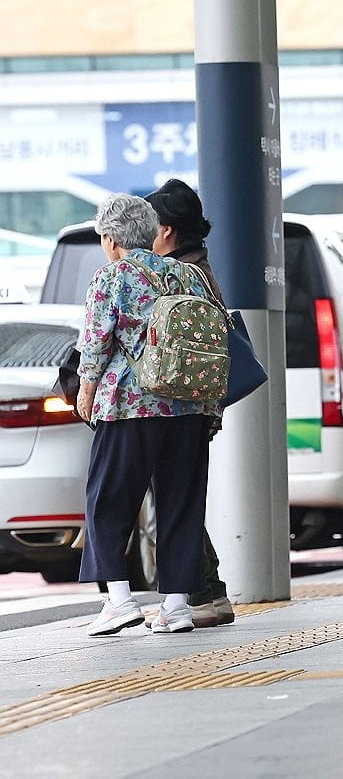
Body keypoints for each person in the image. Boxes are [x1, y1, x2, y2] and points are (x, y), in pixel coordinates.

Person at [77, 193, 219, 636]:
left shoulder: (113, 277)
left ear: (112, 239)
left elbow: (98, 341)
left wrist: (86, 389)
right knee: (182, 502)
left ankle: (119, 600)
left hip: (129, 407)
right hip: (191, 404)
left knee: (107, 501)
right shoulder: (190, 274)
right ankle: (176, 607)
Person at [145, 179, 235, 628]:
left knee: (177, 499)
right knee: (177, 497)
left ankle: (205, 592)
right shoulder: (198, 268)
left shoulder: (178, 273)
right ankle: (204, 591)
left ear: (165, 231)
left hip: (179, 405)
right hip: (195, 404)